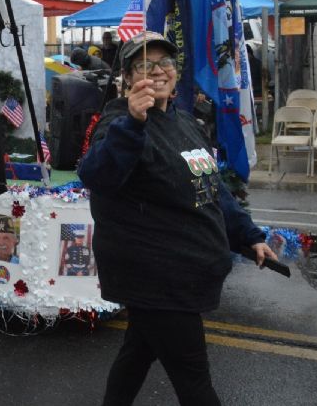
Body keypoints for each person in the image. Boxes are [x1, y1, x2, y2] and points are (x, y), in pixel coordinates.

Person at [78, 31, 276, 406]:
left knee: (138, 352)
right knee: (195, 383)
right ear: (127, 78)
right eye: (144, 65)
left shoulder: (187, 123)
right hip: (157, 278)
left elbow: (212, 190)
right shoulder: (118, 122)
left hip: (185, 273)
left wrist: (249, 236)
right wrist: (133, 123)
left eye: (165, 62)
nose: (157, 71)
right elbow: (97, 176)